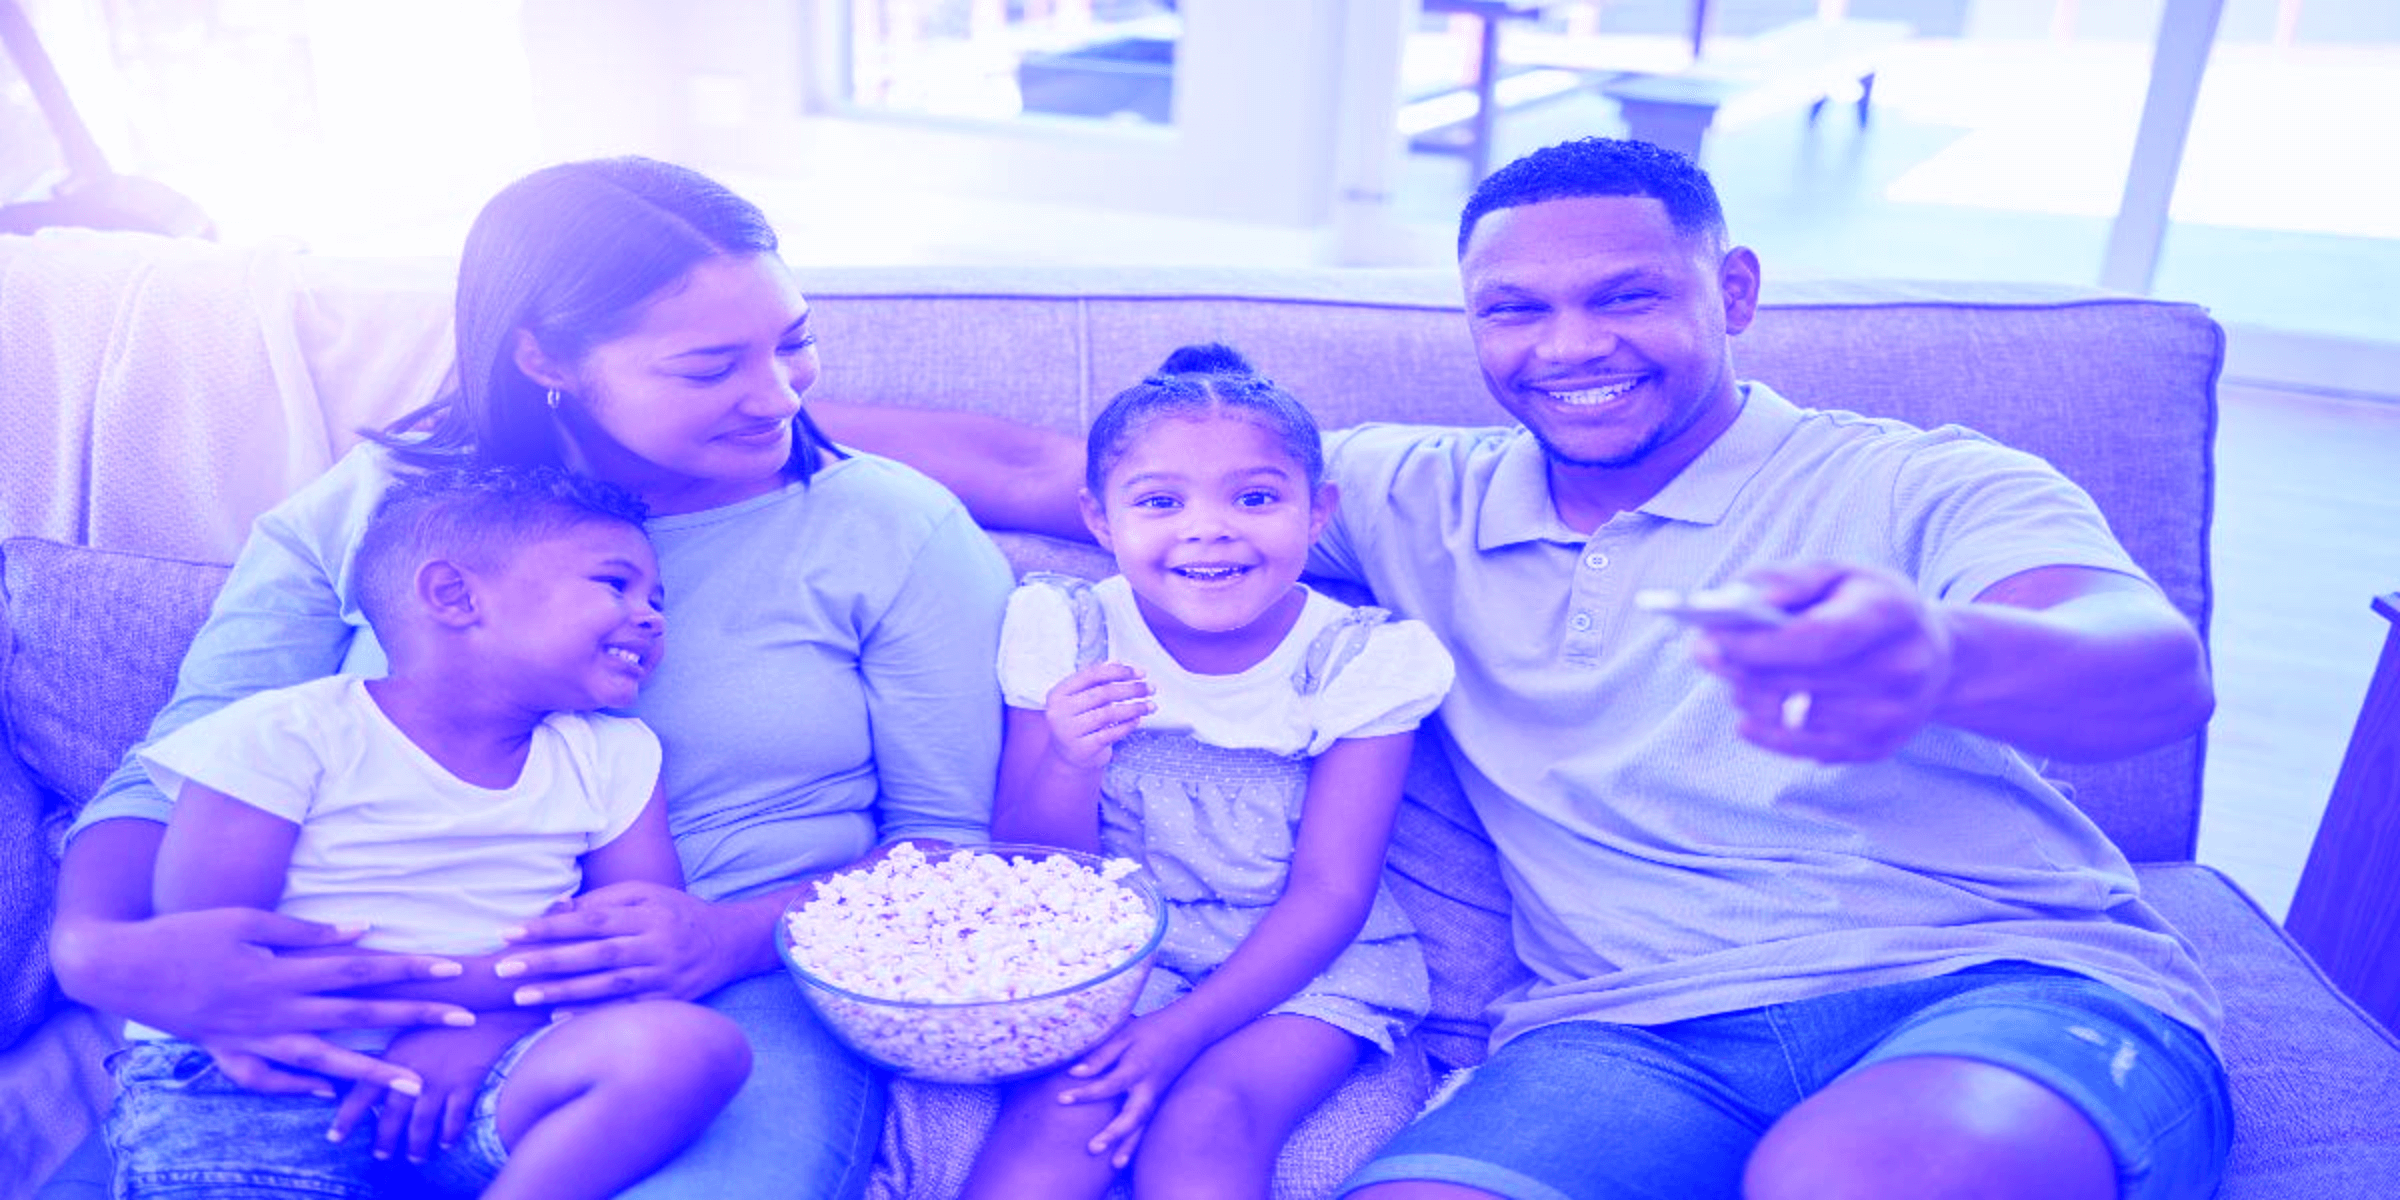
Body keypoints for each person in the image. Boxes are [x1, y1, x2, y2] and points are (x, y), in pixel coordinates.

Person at [814, 137, 2232, 1200]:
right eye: (1515, 311)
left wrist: (1939, 657)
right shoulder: (1405, 494)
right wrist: (742, 400)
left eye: (1628, 297)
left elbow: (2149, 673)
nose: (1572, 349)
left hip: (1989, 984)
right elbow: (1038, 468)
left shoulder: (1918, 481)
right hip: (1616, 1038)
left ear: (1731, 290)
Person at [48, 156, 1014, 1199]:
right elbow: (182, 760)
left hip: (721, 992)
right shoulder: (386, 510)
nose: (775, 395)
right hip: (363, 987)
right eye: (708, 368)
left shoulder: (893, 528)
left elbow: (946, 850)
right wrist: (101, 953)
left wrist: (728, 934)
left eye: (795, 342)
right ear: (547, 356)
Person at [112, 465, 749, 1199]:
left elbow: (628, 953)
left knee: (689, 1049)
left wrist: (489, 1031)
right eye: (616, 585)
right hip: (264, 1075)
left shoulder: (613, 754)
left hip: (485, 1081)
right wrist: (477, 1002)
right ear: (454, 595)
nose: (652, 616)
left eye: (656, 599)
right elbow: (216, 950)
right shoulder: (286, 733)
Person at [960, 344, 1453, 1199]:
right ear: (1100, 520)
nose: (1209, 528)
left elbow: (1333, 894)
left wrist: (1179, 1032)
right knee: (1066, 1107)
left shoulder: (1360, 659)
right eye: (1160, 502)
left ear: (1318, 512)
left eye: (1256, 498)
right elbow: (1035, 867)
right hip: (1120, 944)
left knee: (1207, 1120)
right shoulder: (1064, 626)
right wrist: (1072, 762)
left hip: (1303, 958)